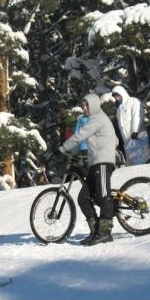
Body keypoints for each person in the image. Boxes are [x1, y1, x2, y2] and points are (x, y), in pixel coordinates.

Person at [59, 93, 118, 246]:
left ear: (93, 105)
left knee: (104, 195)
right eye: (83, 105)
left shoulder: (98, 118)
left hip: (103, 162)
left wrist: (63, 148)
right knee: (83, 198)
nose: (84, 108)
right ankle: (95, 230)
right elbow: (115, 140)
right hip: (95, 163)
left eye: (86, 105)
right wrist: (73, 152)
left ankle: (105, 233)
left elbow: (80, 135)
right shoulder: (95, 119)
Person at [111, 85, 150, 165]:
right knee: (133, 161)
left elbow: (137, 116)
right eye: (115, 97)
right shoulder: (119, 109)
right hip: (127, 139)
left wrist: (135, 131)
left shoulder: (133, 101)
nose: (117, 98)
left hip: (137, 135)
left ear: (122, 93)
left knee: (141, 158)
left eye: (118, 95)